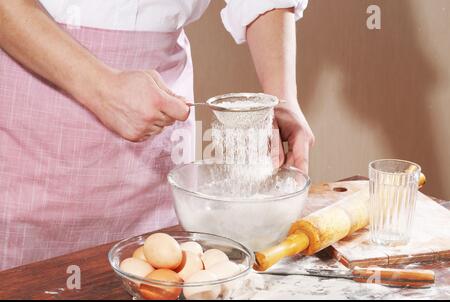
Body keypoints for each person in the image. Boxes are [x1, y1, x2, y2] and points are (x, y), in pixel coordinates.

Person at [0, 0, 314, 270]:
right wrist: (100, 88)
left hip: (159, 125)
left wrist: (282, 96)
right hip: (34, 104)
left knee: (159, 270)